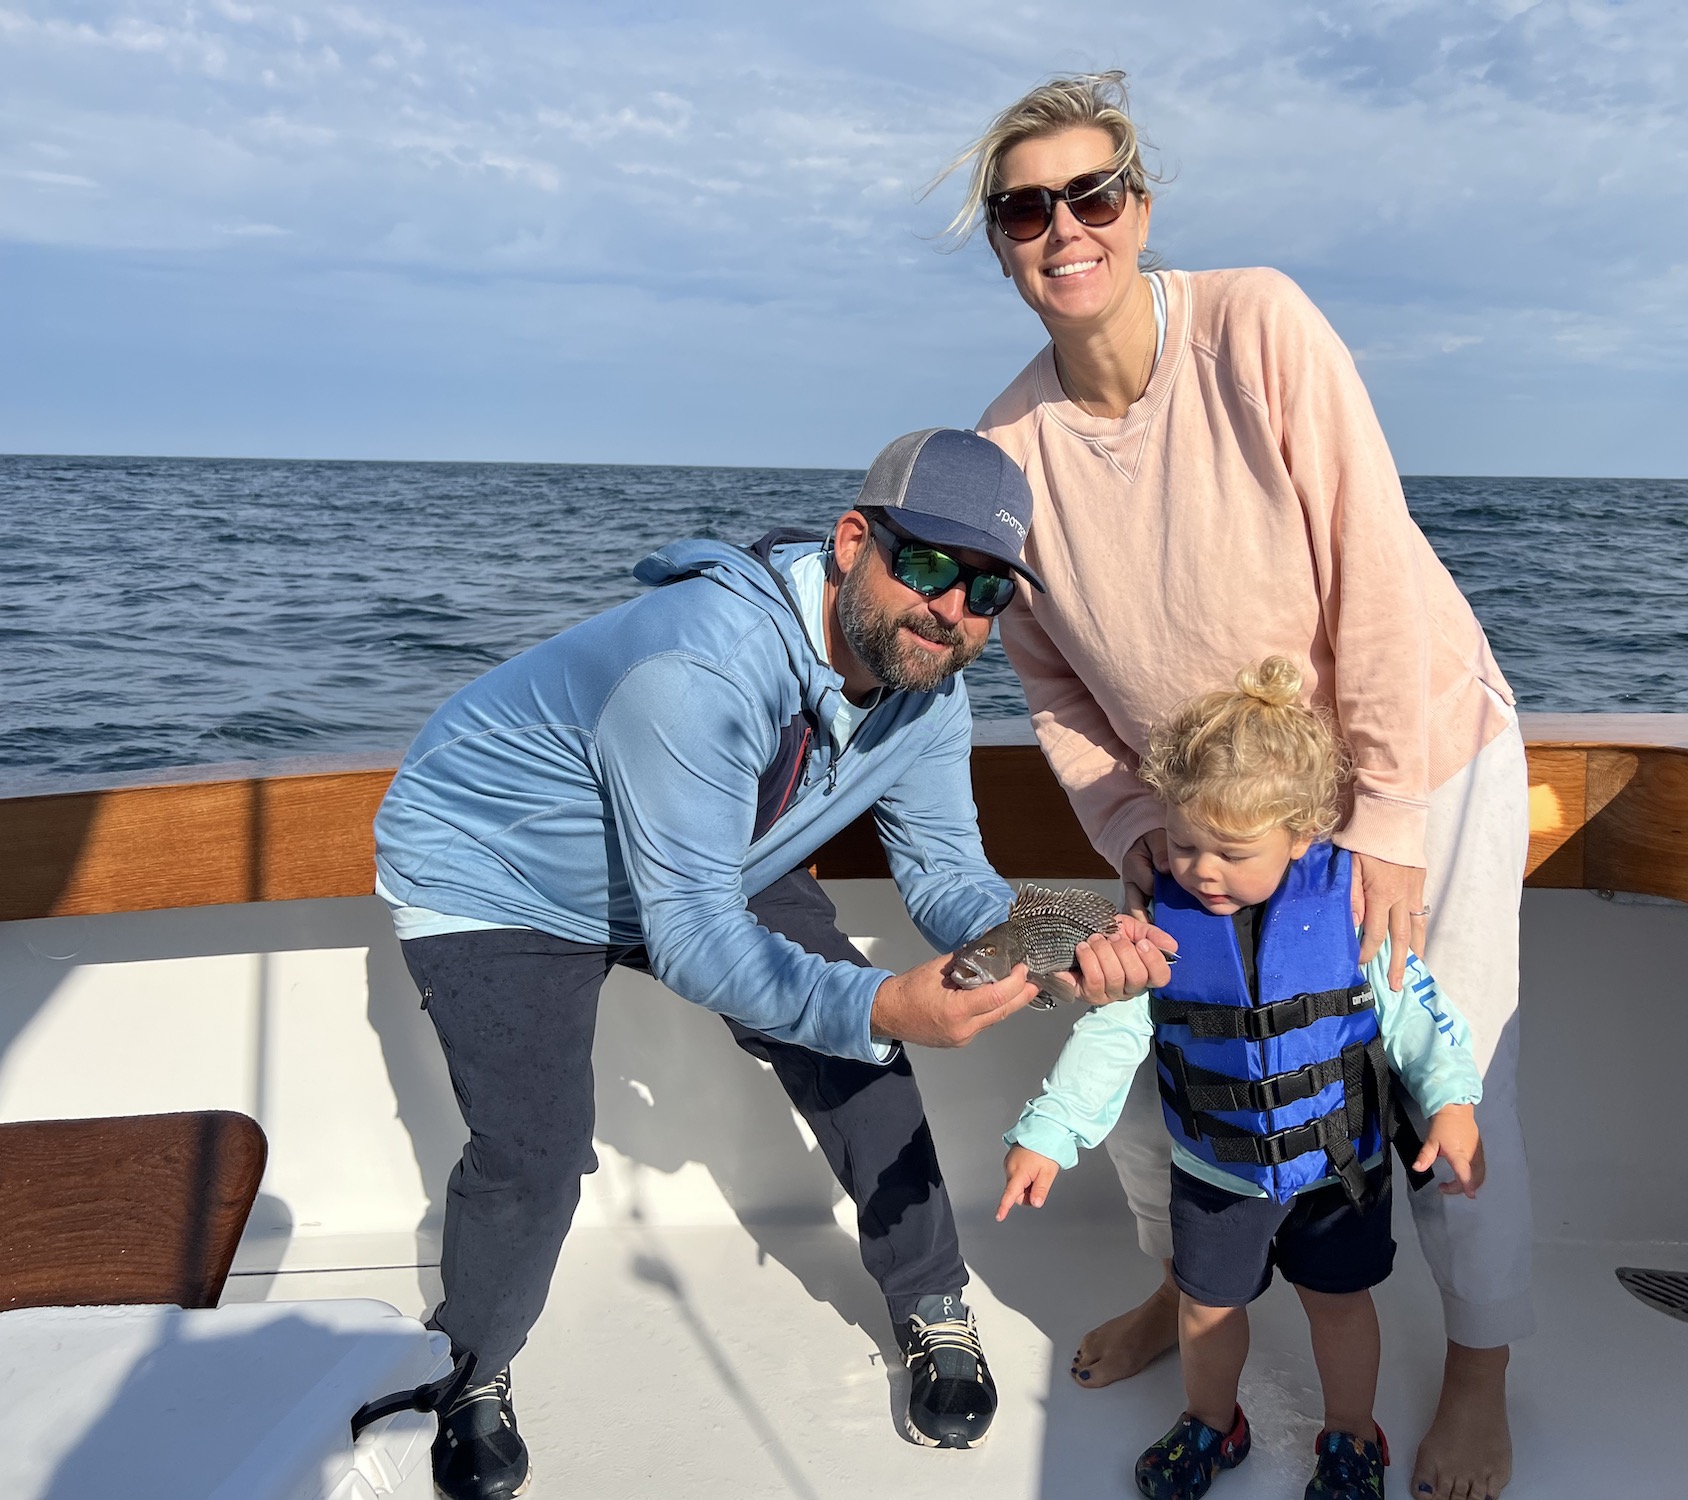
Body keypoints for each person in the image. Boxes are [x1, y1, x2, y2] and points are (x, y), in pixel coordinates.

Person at [372, 428, 1175, 1499]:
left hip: (719, 853)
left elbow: (947, 877)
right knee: (535, 1150)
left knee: (860, 1059)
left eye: (986, 590)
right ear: (852, 543)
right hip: (500, 874)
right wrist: (882, 1003)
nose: (951, 609)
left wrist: (1066, 944)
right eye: (927, 565)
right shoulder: (699, 664)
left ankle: (932, 1301)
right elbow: (694, 939)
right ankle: (469, 1365)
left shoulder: (930, 690)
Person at [945, 73, 1533, 1500]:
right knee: (1181, 1065)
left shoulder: (1256, 323)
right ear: (1001, 243)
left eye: (1092, 195)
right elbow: (1052, 685)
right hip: (1200, 824)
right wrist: (1135, 830)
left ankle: (1477, 1369)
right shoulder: (1007, 451)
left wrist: (1386, 819)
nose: (1064, 229)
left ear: (1138, 208)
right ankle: (1188, 1288)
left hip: (1416, 759)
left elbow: (1372, 566)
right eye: (1025, 210)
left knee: (1442, 1071)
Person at [994, 659, 1483, 1500]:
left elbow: (1420, 1017)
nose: (1203, 870)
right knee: (1206, 1308)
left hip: (1338, 1171)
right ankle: (1212, 1424)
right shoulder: (1163, 919)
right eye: (1185, 845)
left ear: (1301, 835)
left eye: (1232, 852)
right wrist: (1049, 1131)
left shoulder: (1352, 909)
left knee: (1340, 1307)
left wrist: (1453, 1103)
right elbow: (1112, 1032)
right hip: (1217, 1175)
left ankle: (1351, 1437)